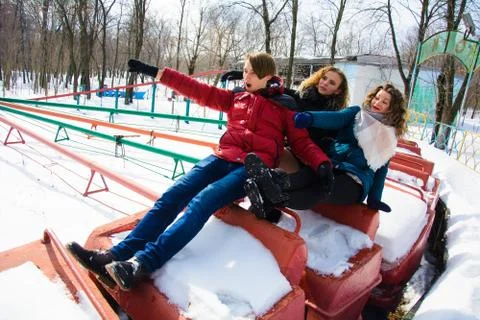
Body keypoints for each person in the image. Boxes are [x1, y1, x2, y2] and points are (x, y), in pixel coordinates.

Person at [66, 52, 332, 291]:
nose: (244, 75)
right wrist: (158, 73)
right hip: (221, 157)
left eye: (250, 71)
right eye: (245, 70)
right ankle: (116, 256)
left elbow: (302, 142)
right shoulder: (236, 98)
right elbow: (198, 90)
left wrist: (322, 164)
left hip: (250, 167)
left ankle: (141, 265)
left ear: (267, 76)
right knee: (174, 194)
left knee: (201, 202)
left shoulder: (285, 106)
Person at [246, 83, 407, 216]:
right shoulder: (357, 114)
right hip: (334, 164)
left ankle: (271, 198)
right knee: (310, 174)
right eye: (377, 98)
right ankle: (271, 182)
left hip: (355, 180)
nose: (377, 103)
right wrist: (310, 118)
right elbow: (336, 118)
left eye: (384, 102)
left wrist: (374, 199)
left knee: (323, 187)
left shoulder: (389, 138)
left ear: (392, 109)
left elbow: (380, 172)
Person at [222, 66, 350, 221]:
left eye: (331, 83)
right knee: (264, 153)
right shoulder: (300, 97)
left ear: (338, 91)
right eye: (324, 78)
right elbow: (269, 87)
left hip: (307, 159)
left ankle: (268, 206)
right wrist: (249, 76)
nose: (325, 83)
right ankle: (237, 193)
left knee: (276, 166)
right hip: (289, 150)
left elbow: (338, 141)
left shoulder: (336, 116)